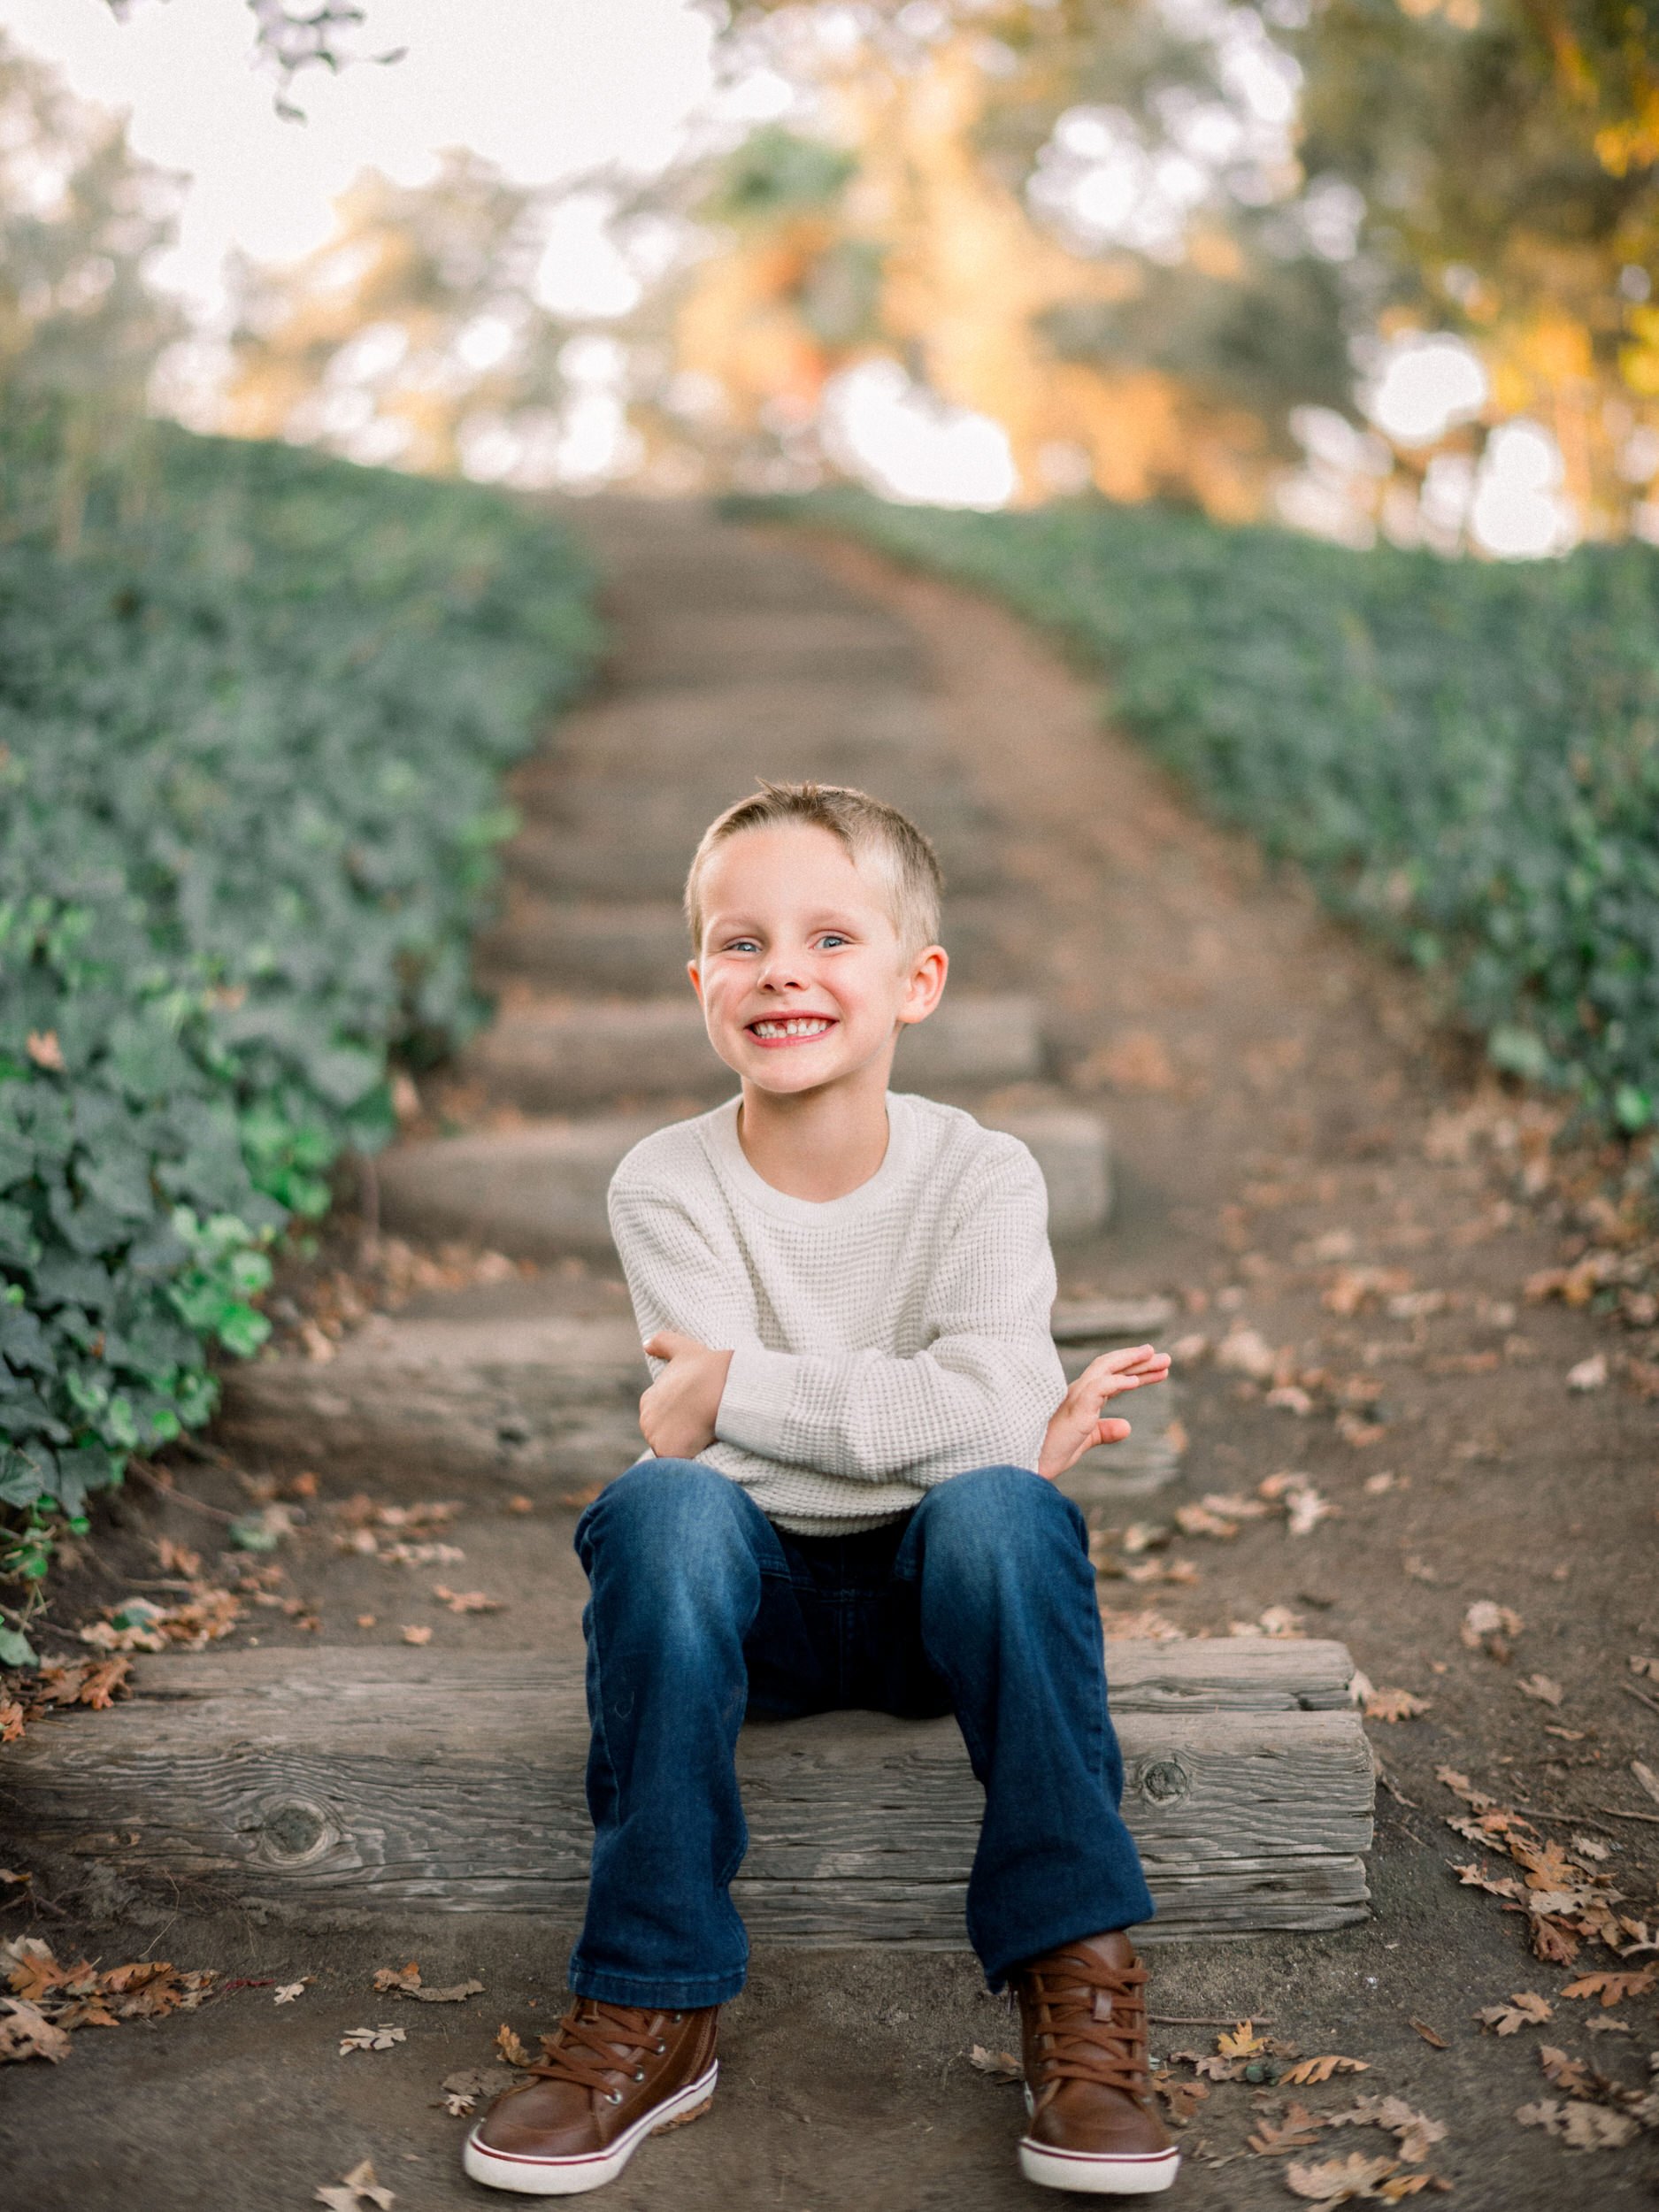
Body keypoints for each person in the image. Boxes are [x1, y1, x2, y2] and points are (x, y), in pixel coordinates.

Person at [465, 781, 1179, 2199]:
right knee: (664, 1511)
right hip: (748, 1607)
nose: (781, 968)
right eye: (742, 943)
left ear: (916, 981)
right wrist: (963, 1422)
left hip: (943, 1601)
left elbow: (810, 1422)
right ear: (699, 985)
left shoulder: (983, 1174)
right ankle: (657, 2001)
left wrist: (738, 1384)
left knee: (1003, 1513)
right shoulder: (664, 1184)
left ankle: (1078, 1993)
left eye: (830, 937)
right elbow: (709, 1464)